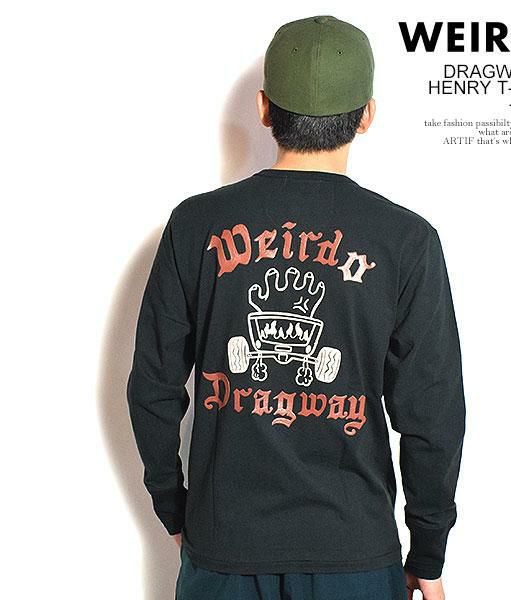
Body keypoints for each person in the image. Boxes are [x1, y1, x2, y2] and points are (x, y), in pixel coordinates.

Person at [126, 15, 466, 600]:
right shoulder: (406, 241)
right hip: (353, 550)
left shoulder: (196, 225)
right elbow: (433, 413)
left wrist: (174, 509)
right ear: (367, 115)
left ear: (264, 109)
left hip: (224, 546)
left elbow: (153, 388)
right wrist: (428, 553)